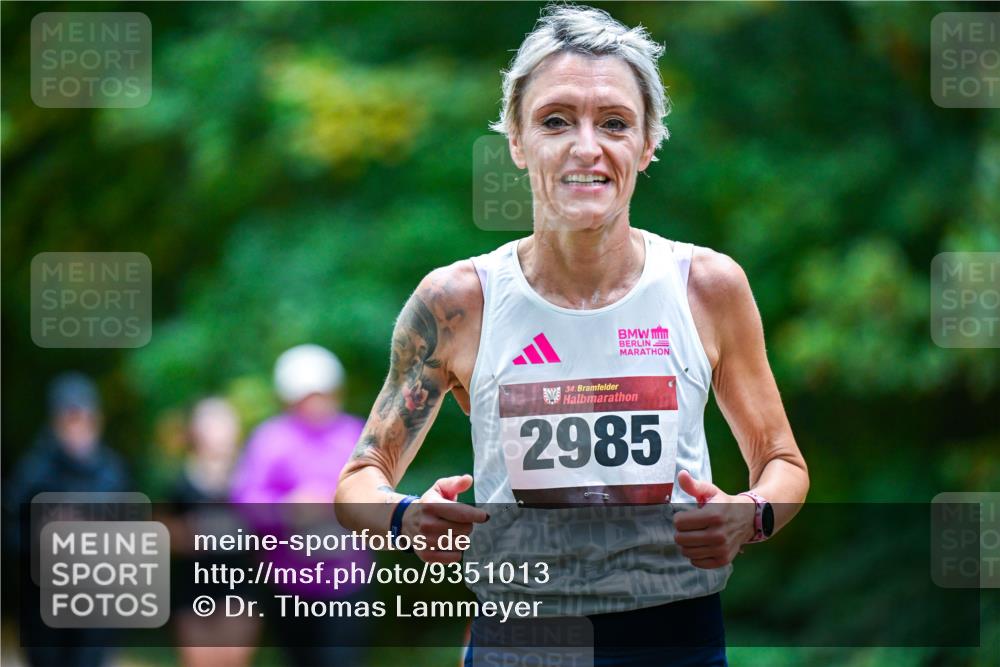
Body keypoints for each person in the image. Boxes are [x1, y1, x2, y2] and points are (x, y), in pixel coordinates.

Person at [336, 4, 809, 666]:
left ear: (647, 144)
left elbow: (783, 464)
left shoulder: (707, 286)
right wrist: (403, 516)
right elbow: (358, 481)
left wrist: (750, 514)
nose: (586, 147)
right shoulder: (458, 302)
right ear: (516, 141)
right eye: (556, 120)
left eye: (614, 122)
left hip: (675, 638)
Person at [230, 344, 371, 666]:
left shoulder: (355, 434)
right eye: (306, 396)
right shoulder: (271, 438)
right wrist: (288, 507)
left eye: (322, 393)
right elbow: (245, 499)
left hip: (346, 579)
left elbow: (379, 492)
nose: (316, 403)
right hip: (289, 580)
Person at [5, 372, 130, 667]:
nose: (78, 429)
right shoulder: (33, 471)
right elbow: (10, 534)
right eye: (70, 421)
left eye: (85, 420)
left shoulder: (113, 472)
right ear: (55, 423)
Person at [168, 397, 259, 667]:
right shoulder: (180, 482)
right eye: (211, 423)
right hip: (192, 589)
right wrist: (190, 537)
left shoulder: (251, 478)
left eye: (224, 423)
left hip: (238, 587)